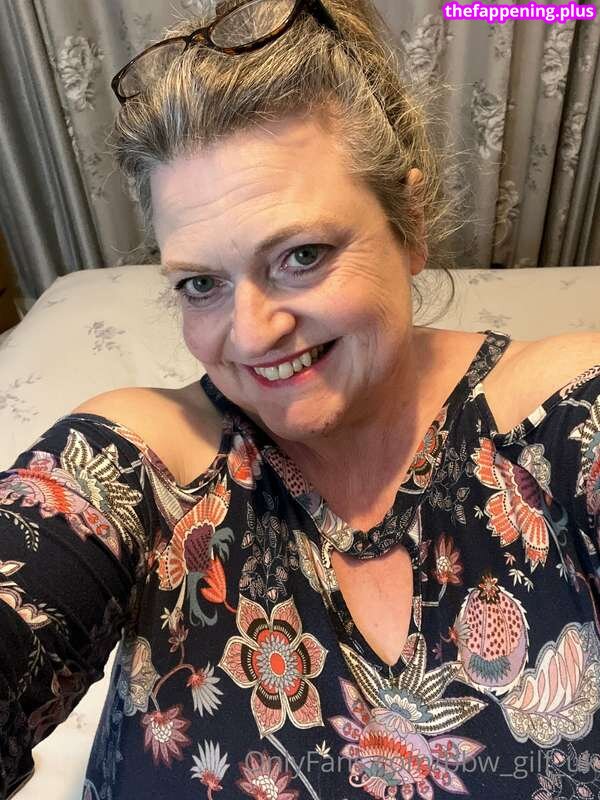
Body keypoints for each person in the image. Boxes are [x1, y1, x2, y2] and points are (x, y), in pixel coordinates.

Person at [1, 1, 600, 798]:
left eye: (302, 255)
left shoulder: (563, 424)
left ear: (410, 223)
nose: (252, 334)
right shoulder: (145, 461)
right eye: (201, 284)